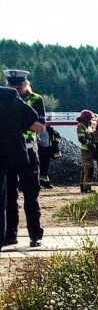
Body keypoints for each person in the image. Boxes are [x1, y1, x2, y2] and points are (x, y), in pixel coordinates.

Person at [3, 70, 47, 248]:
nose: (15, 89)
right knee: (8, 196)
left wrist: (16, 126)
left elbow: (40, 127)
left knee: (31, 195)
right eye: (11, 86)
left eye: (18, 86)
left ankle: (35, 234)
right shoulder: (4, 99)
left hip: (28, 150)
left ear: (25, 84)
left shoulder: (35, 99)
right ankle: (10, 234)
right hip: (9, 152)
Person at [76, 109, 95, 193]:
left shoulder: (87, 126)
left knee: (85, 169)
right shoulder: (81, 126)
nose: (90, 120)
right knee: (89, 168)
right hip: (85, 150)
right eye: (89, 119)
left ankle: (83, 187)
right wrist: (89, 144)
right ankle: (86, 188)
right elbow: (81, 138)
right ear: (85, 118)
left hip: (89, 150)